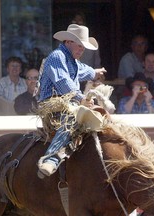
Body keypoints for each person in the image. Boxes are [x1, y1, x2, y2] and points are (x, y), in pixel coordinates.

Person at [37, 24, 106, 178]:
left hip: (71, 105)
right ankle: (51, 159)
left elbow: (84, 70)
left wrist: (95, 73)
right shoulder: (57, 57)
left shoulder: (73, 61)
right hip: (54, 108)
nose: (82, 50)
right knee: (73, 118)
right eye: (80, 45)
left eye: (84, 47)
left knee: (100, 117)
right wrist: (81, 99)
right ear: (68, 42)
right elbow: (63, 82)